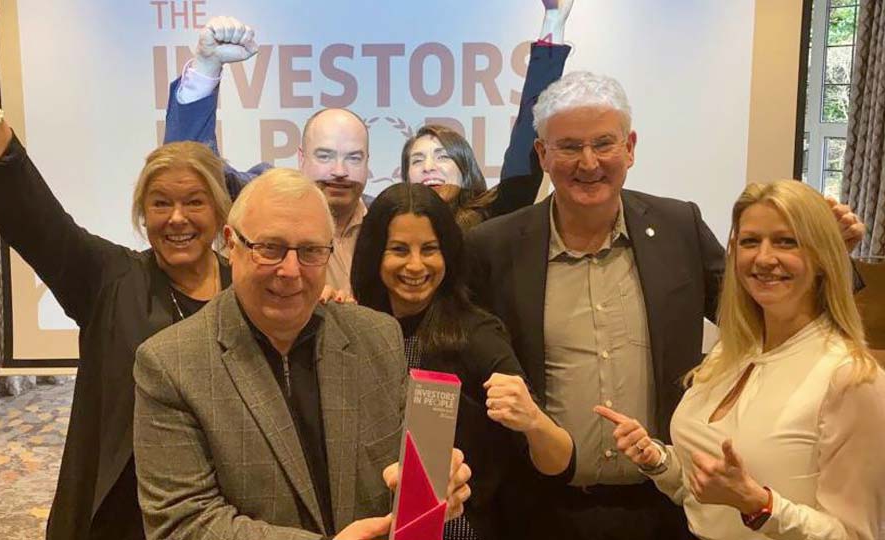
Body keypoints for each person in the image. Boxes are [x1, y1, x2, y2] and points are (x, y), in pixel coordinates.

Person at [464, 71, 867, 540]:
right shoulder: (494, 247)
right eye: (569, 147)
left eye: (604, 143)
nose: (589, 163)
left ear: (630, 148)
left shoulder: (678, 227)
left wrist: (828, 258)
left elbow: (760, 310)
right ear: (542, 154)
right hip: (537, 509)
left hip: (664, 507)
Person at [0, 3, 235, 538]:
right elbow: (26, 208)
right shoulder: (109, 279)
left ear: (220, 211)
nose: (177, 218)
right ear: (142, 214)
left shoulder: (248, 289)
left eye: (194, 202)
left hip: (219, 512)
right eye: (160, 203)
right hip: (119, 514)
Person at [133, 169, 472, 539]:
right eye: (270, 248)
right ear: (231, 244)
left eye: (310, 251)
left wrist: (434, 487)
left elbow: (403, 478)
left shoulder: (377, 337)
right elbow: (183, 523)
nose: (291, 270)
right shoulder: (171, 365)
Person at [163, 0, 575, 290]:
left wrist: (552, 29)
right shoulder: (266, 202)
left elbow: (520, 175)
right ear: (301, 158)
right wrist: (207, 68)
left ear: (368, 164)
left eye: (353, 157)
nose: (339, 170)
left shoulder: (393, 220)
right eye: (325, 156)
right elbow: (194, 172)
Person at [596, 180, 885, 540]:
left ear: (823, 256)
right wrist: (660, 462)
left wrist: (759, 505)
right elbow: (706, 495)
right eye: (750, 241)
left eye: (786, 241)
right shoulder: (729, 353)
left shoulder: (850, 378)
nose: (763, 258)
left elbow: (854, 535)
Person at [349, 182, 575, 539]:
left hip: (460, 529)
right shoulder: (352, 330)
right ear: (374, 253)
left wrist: (533, 420)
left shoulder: (476, 335)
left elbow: (559, 461)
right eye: (399, 249)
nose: (415, 265)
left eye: (430, 249)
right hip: (366, 526)